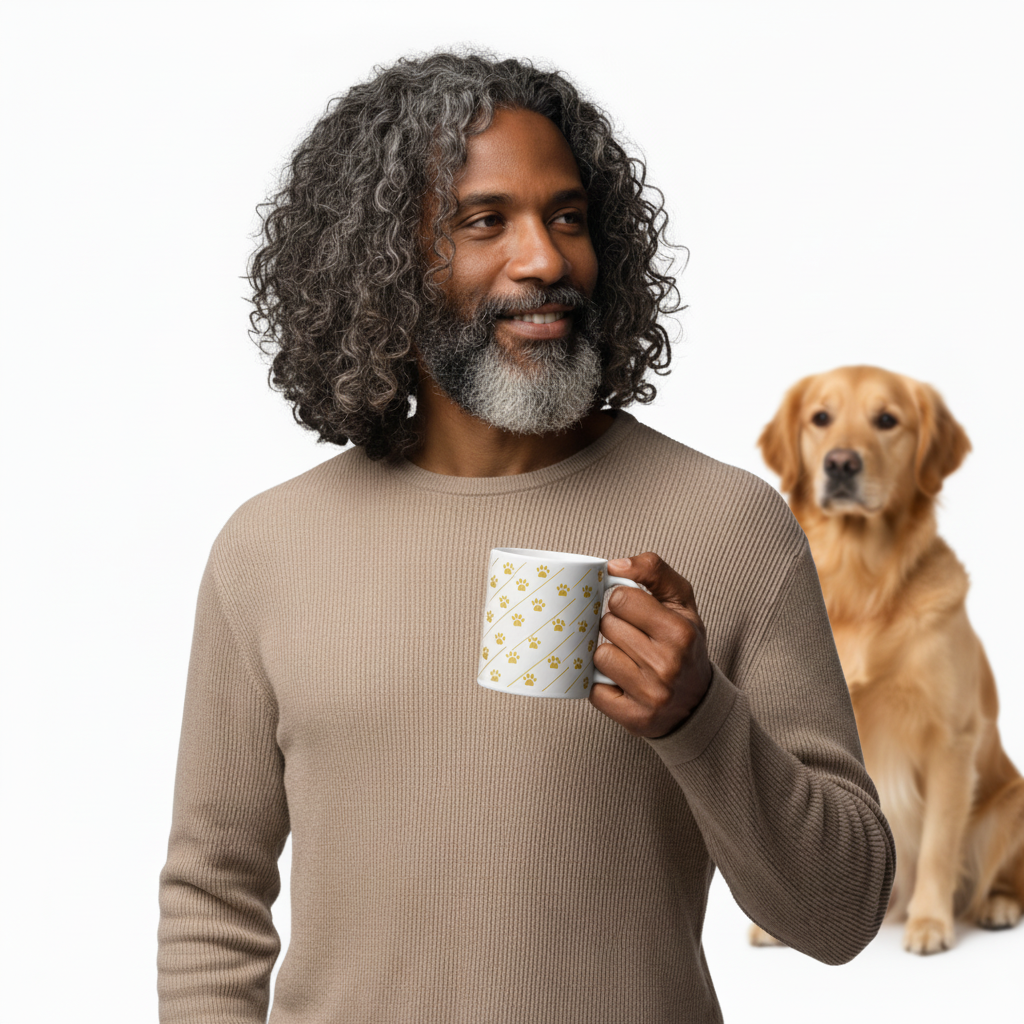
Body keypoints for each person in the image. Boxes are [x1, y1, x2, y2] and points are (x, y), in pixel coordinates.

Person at [158, 51, 895, 1023]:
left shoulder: (726, 526)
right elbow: (213, 892)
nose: (544, 259)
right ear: (385, 261)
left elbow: (839, 914)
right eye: (483, 221)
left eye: (567, 218)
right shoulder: (269, 550)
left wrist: (697, 717)